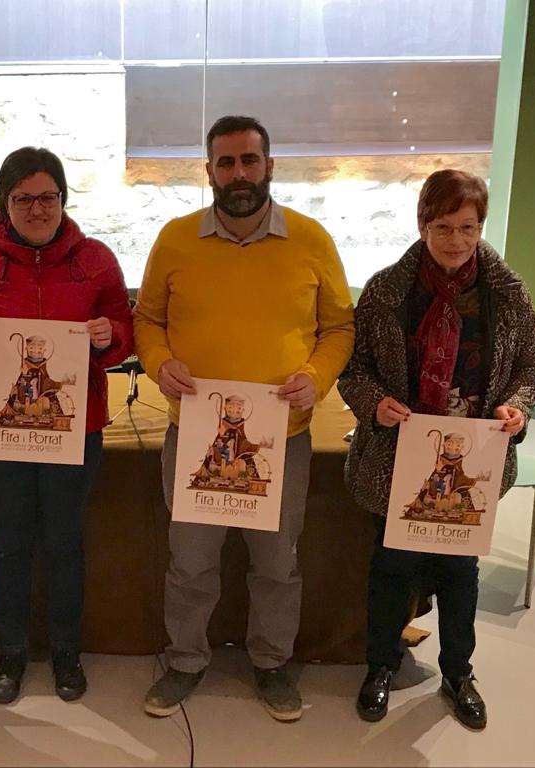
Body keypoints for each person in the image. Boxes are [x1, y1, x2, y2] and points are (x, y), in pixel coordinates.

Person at [134, 115, 355, 722]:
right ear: (209, 171)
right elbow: (147, 320)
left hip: (282, 440)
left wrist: (317, 377)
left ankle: (271, 663)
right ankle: (185, 661)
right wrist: (158, 363)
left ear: (270, 166)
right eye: (226, 163)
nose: (239, 174)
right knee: (190, 562)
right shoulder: (175, 240)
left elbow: (339, 327)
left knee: (277, 564)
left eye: (249, 161)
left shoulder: (311, 240)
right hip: (195, 437)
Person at [338, 169, 535, 730]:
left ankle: (458, 672)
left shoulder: (507, 293)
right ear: (422, 224)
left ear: (481, 227)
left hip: (473, 458)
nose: (456, 240)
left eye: (468, 228)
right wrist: (375, 403)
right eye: (443, 227)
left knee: (459, 570)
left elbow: (530, 364)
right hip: (398, 457)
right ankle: (381, 666)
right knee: (392, 566)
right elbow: (353, 369)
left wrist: (517, 407)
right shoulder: (387, 291)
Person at [0, 146, 134, 705]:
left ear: (64, 199)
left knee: (66, 542)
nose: (37, 209)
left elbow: (125, 331)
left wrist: (110, 336)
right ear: (5, 202)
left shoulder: (96, 260)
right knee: (9, 543)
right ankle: (13, 652)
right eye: (23, 198)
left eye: (48, 197)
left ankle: (67, 650)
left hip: (73, 426)